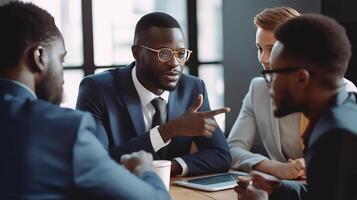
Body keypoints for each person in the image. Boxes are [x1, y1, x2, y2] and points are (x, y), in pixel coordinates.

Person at [0, 2, 170, 199]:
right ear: (39, 57)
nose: (63, 78)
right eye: (61, 60)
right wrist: (145, 170)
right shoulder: (63, 130)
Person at [76, 12, 231, 176]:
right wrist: (170, 129)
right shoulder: (96, 89)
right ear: (137, 53)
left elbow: (221, 156)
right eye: (164, 53)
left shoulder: (192, 88)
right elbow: (93, 162)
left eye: (180, 54)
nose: (174, 63)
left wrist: (167, 168)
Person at [227, 7, 357, 180]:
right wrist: (275, 168)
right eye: (260, 49)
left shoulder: (342, 96)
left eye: (272, 49)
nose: (263, 59)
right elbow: (233, 147)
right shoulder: (258, 88)